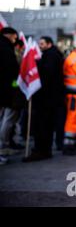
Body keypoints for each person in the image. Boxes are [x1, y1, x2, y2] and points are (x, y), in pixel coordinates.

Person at [23, 36, 64, 162]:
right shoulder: (51, 54)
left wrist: (37, 67)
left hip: (47, 98)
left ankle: (42, 150)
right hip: (49, 97)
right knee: (45, 125)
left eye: (42, 43)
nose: (40, 46)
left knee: (43, 125)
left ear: (49, 44)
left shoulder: (51, 56)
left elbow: (47, 74)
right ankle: (44, 150)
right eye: (39, 43)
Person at [0, 27, 20, 165]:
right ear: (10, 35)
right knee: (5, 120)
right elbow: (11, 72)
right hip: (4, 91)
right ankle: (2, 148)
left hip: (4, 89)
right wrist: (15, 87)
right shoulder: (5, 49)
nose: (15, 40)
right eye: (15, 37)